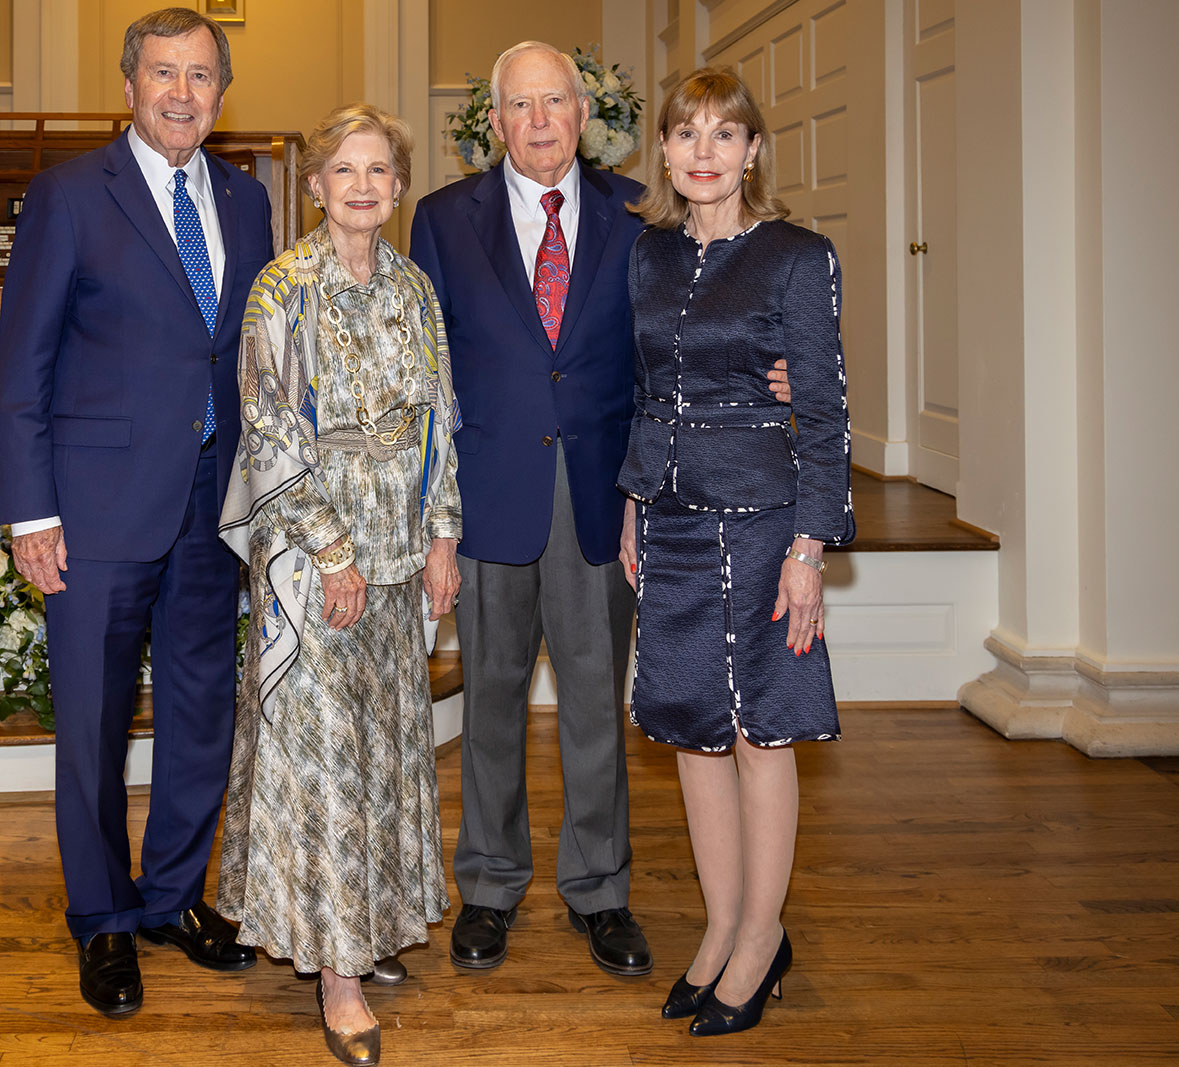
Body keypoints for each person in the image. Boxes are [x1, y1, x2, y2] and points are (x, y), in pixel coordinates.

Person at [409, 41, 790, 978]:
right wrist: (433, 517)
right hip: (488, 495)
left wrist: (773, 372)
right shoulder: (439, 219)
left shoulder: (641, 214)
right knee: (490, 704)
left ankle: (600, 889)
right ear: (492, 122)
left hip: (601, 497)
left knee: (593, 705)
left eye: (556, 102)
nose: (539, 121)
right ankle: (490, 888)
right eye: (519, 105)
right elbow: (423, 373)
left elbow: (685, 338)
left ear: (584, 115)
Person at [0, 7, 274, 1017]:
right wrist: (31, 513)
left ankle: (170, 896)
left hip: (214, 502)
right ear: (129, 85)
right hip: (98, 505)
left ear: (220, 91)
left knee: (203, 711)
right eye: (164, 73)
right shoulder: (70, 194)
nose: (181, 93)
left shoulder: (247, 200)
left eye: (200, 75)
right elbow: (20, 366)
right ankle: (103, 918)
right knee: (94, 723)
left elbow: (251, 356)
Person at [216, 104, 460, 1067]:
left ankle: (368, 924)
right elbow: (270, 429)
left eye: (379, 171)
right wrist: (330, 552)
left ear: (398, 189)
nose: (362, 186)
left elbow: (443, 414)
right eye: (343, 171)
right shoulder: (284, 289)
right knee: (319, 760)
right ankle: (336, 973)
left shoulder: (414, 287)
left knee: (385, 746)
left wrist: (443, 533)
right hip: (315, 557)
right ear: (313, 187)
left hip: (403, 550)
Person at [617, 66, 855, 1037]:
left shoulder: (799, 255)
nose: (703, 152)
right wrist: (633, 499)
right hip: (670, 517)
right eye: (686, 134)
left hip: (761, 519)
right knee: (689, 730)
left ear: (753, 150)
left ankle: (762, 935)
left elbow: (828, 411)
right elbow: (640, 387)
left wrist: (810, 548)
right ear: (666, 152)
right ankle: (720, 926)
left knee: (761, 732)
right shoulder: (650, 256)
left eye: (724, 134)